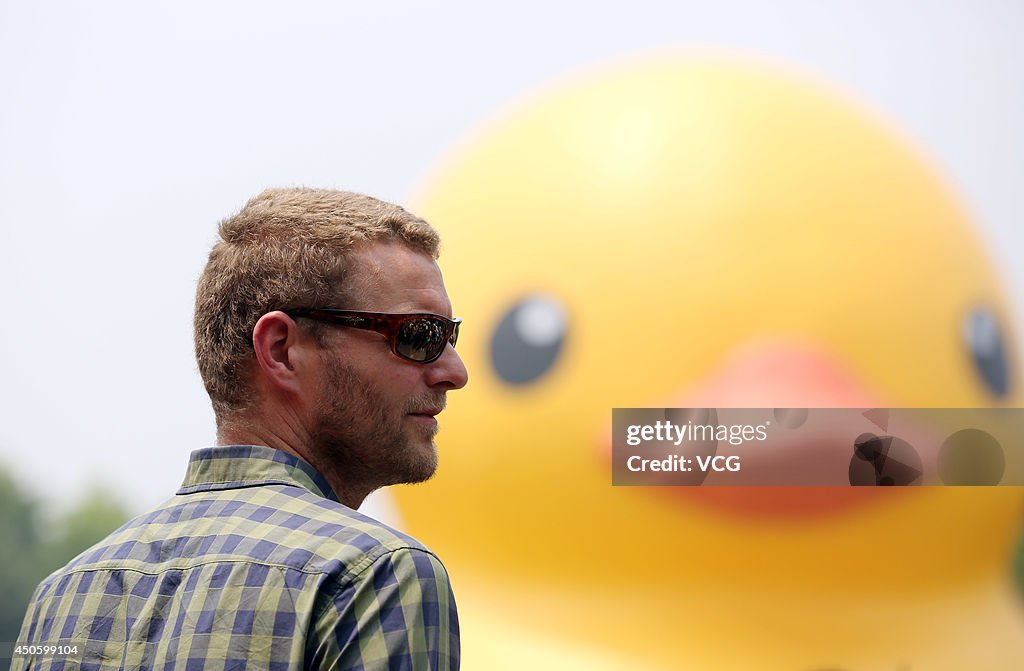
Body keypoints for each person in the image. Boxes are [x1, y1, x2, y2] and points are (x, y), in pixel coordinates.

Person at [13, 188, 469, 670]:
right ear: (280, 350)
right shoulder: (374, 575)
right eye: (420, 335)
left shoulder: (61, 596)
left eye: (449, 336)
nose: (455, 372)